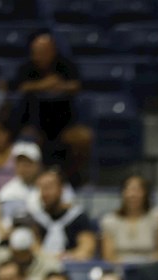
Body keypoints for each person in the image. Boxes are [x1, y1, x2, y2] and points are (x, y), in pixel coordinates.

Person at [12, 33, 93, 183]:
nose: (39, 55)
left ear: (53, 50)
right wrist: (44, 85)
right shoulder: (27, 67)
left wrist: (61, 85)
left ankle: (74, 178)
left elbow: (77, 85)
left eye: (43, 51)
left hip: (64, 123)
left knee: (83, 137)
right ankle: (38, 181)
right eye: (36, 51)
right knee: (28, 140)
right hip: (34, 124)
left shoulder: (65, 65)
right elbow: (20, 87)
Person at [21, 168, 96, 260]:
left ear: (61, 189)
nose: (45, 193)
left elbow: (86, 250)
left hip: (71, 265)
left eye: (49, 187)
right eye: (41, 188)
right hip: (42, 267)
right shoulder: (35, 218)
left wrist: (64, 257)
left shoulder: (78, 216)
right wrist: (48, 259)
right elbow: (33, 249)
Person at [0, 142, 75, 222]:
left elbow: (71, 208)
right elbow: (5, 220)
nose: (23, 167)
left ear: (38, 164)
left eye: (28, 163)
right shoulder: (7, 191)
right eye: (19, 163)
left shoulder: (55, 182)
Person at [100, 175, 158, 264]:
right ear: (123, 193)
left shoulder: (157, 217)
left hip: (150, 269)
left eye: (138, 190)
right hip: (120, 268)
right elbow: (108, 256)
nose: (133, 195)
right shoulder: (110, 220)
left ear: (145, 193)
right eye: (129, 190)